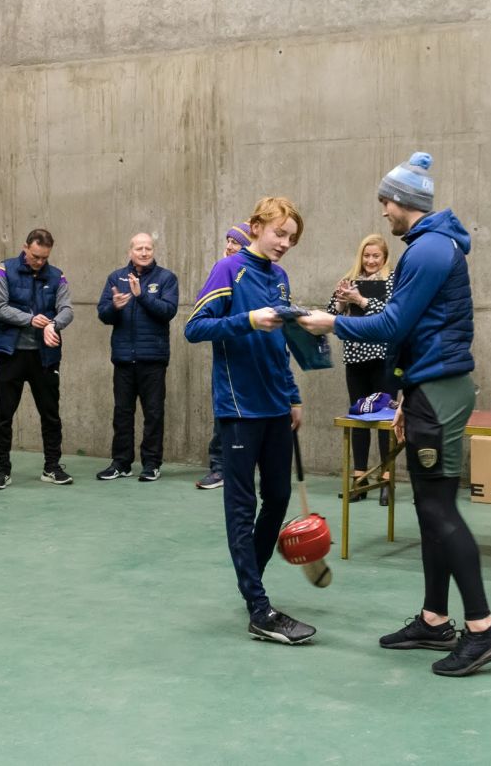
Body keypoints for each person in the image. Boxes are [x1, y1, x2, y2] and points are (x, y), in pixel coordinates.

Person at [300, 152, 491, 677]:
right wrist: (400, 394)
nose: (383, 214)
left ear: (403, 202)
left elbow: (392, 325)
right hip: (425, 388)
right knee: (428, 510)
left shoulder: (430, 250)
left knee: (441, 510)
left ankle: (482, 628)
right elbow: (412, 330)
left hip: (438, 390)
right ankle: (435, 619)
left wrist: (333, 324)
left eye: (385, 203)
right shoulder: (427, 247)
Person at [184, 197, 314, 645]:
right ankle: (258, 607)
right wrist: (246, 320)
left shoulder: (280, 278)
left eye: (292, 238)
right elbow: (195, 327)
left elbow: (280, 342)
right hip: (239, 409)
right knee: (243, 508)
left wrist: (293, 394)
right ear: (256, 227)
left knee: (277, 498)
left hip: (278, 405)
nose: (285, 244)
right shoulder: (229, 271)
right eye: (280, 233)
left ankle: (250, 582)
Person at [0, 229, 75, 490]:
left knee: (50, 415)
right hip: (10, 354)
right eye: (35, 256)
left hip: (45, 357)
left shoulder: (58, 276)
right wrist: (31, 320)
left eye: (44, 258)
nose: (39, 262)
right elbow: (0, 307)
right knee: (3, 415)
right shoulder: (3, 270)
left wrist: (53, 325)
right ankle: (1, 470)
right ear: (25, 247)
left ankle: (52, 467)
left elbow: (67, 309)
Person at [96, 233, 179, 482]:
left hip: (152, 358)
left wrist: (141, 295)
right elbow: (103, 314)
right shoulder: (115, 277)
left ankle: (151, 464)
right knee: (122, 413)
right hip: (123, 358)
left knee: (153, 413)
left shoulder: (166, 278)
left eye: (148, 248)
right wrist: (115, 307)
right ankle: (121, 462)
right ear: (130, 251)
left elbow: (168, 311)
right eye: (139, 248)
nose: (144, 253)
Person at [326, 233, 396, 504]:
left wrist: (361, 300)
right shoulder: (350, 280)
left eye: (375, 256)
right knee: (358, 417)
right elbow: (331, 313)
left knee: (385, 418)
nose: (370, 261)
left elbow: (391, 315)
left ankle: (386, 479)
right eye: (366, 256)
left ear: (384, 257)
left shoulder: (392, 281)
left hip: (383, 357)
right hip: (355, 359)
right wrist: (344, 300)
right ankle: (360, 477)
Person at [197, 222, 252, 491]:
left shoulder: (258, 276)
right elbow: (199, 324)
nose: (229, 246)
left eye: (236, 242)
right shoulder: (222, 272)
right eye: (228, 241)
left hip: (254, 360)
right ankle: (219, 468)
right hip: (229, 362)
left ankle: (241, 469)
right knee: (224, 416)